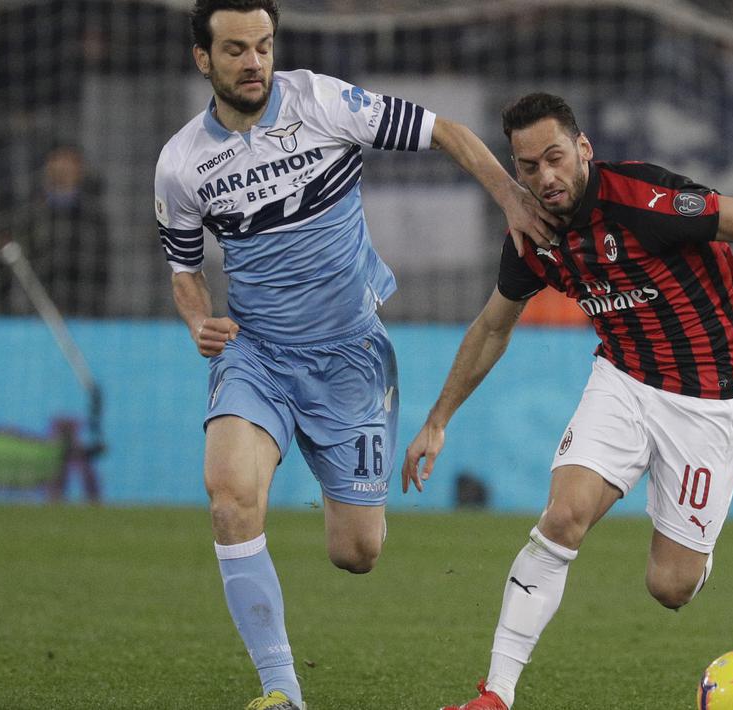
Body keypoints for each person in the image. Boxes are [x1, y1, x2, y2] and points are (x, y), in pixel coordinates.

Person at [401, 93, 733, 710]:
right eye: (527, 166)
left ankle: (690, 540)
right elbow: (494, 325)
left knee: (670, 586)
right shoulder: (532, 234)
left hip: (715, 400)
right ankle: (496, 694)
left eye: (554, 158)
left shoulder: (644, 200)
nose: (544, 178)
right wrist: (438, 419)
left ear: (583, 150)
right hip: (624, 381)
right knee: (563, 517)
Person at [152, 3, 556, 709]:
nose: (254, 62)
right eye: (237, 49)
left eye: (264, 46)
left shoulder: (323, 101)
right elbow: (184, 269)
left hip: (349, 360)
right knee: (230, 498)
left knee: (356, 552)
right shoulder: (181, 164)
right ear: (203, 59)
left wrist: (511, 198)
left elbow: (446, 132)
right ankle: (281, 691)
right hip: (258, 357)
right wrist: (197, 321)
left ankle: (332, 472)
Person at [0, 145, 111, 317]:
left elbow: (102, 267)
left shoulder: (93, 216)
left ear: (79, 167)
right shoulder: (29, 213)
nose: (62, 166)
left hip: (83, 310)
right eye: (57, 159)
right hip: (35, 307)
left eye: (69, 160)